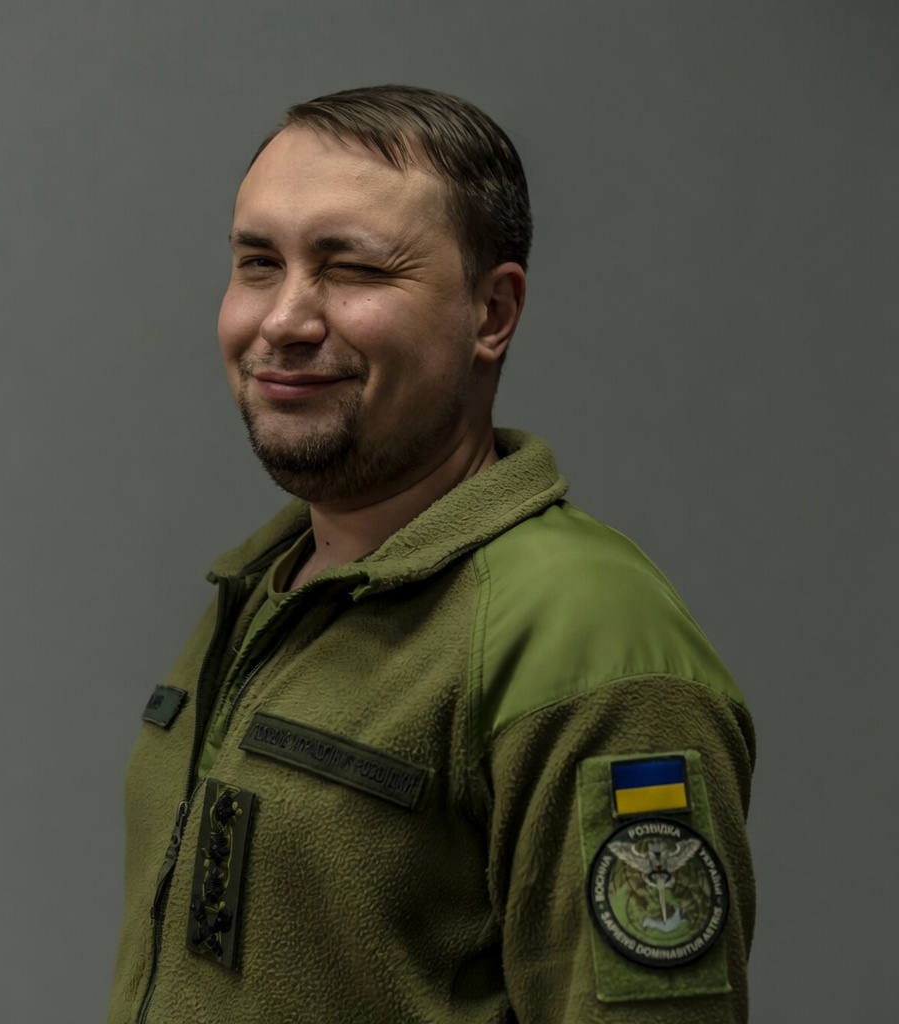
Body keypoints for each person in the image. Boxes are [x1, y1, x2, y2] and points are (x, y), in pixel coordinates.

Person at [108, 85, 755, 1024]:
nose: (283, 319)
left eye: (354, 269)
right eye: (258, 264)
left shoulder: (588, 640)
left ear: (492, 312)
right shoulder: (271, 589)